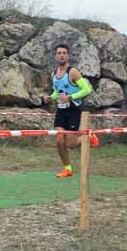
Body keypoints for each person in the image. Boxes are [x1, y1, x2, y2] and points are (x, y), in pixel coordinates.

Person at [41, 44, 97, 178]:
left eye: (64, 53)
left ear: (68, 56)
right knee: (59, 141)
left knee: (71, 144)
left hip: (73, 110)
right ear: (55, 56)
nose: (61, 55)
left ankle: (88, 136)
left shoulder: (73, 72)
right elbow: (57, 92)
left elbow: (87, 90)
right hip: (61, 110)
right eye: (59, 53)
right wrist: (50, 97)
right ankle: (67, 169)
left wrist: (70, 97)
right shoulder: (53, 74)